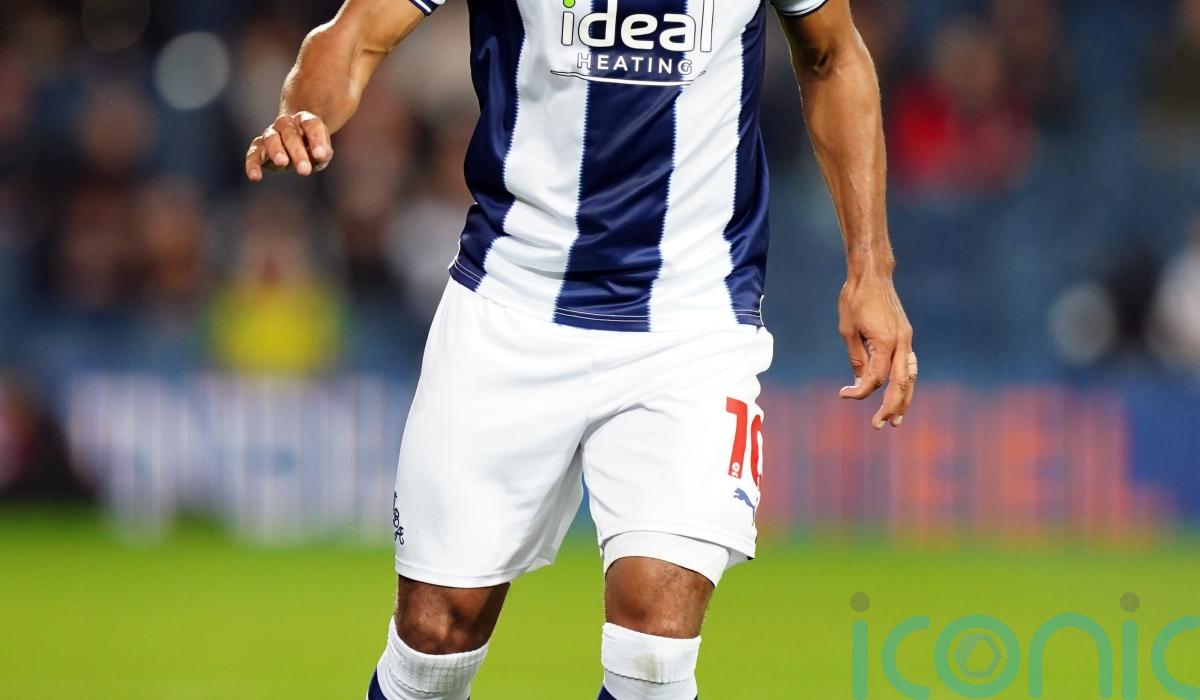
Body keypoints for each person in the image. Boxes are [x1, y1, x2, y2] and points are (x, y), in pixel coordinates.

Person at [245, 0, 916, 697]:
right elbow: (354, 34)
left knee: (655, 650)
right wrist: (305, 110)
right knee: (436, 637)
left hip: (690, 323)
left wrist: (871, 270)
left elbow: (832, 55)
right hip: (510, 308)